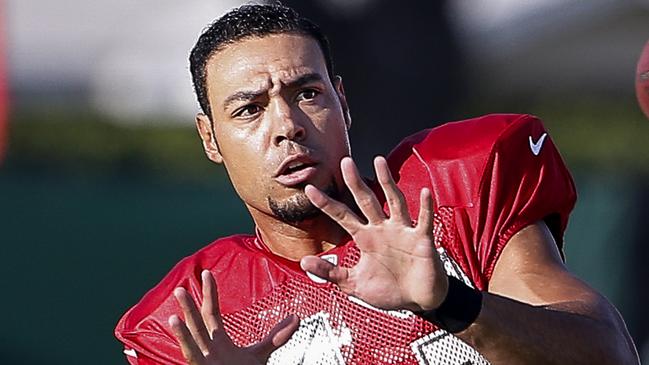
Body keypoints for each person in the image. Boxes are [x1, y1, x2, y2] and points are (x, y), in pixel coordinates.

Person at [115, 4, 639, 365]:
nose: (287, 126)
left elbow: (607, 354)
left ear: (342, 102)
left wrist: (453, 303)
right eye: (249, 110)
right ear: (210, 138)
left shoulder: (451, 190)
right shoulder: (190, 318)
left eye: (308, 94)